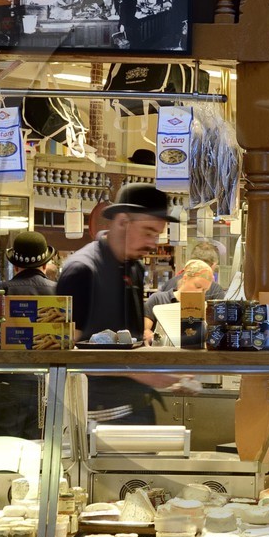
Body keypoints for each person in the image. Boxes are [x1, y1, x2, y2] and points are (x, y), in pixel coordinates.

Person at [57, 182, 174, 424]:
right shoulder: (82, 270)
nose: (153, 243)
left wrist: (164, 368)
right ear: (122, 222)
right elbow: (65, 352)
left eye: (158, 234)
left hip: (138, 408)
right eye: (149, 232)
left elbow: (131, 337)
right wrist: (144, 375)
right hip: (99, 415)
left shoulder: (134, 267)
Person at [0, 231, 56, 442]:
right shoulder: (59, 292)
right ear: (45, 265)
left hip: (9, 387)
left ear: (15, 266)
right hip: (47, 389)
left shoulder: (2, 291)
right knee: (36, 456)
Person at [143, 257, 215, 343]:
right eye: (198, 286)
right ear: (185, 279)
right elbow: (145, 333)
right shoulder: (158, 300)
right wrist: (154, 337)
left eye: (204, 290)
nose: (200, 292)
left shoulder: (204, 308)